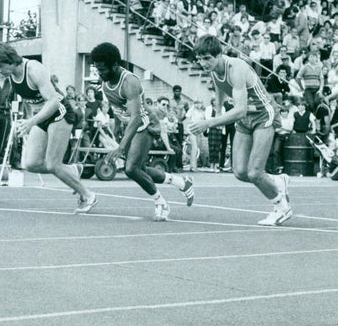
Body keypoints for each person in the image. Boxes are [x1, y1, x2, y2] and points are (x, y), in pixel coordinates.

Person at [190, 35, 292, 226]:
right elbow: (220, 87)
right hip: (246, 119)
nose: (202, 63)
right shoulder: (213, 70)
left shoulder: (236, 68)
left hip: (263, 114)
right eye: (199, 58)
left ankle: (282, 207)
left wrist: (209, 122)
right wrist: (219, 110)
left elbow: (240, 109)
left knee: (254, 172)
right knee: (239, 172)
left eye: (207, 58)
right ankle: (278, 181)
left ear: (219, 54)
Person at [0, 42, 96, 213]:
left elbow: (54, 101)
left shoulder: (34, 70)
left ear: (11, 61)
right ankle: (72, 170)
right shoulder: (12, 75)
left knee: (53, 164)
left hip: (60, 113)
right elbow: (30, 102)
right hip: (42, 117)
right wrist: (30, 121)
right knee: (31, 163)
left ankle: (87, 195)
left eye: (0, 66)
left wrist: (31, 122)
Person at [90, 43, 194, 220]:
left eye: (102, 69)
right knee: (140, 168)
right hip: (130, 125)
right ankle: (181, 182)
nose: (100, 73)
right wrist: (117, 132)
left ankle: (160, 202)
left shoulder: (129, 82)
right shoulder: (106, 80)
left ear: (114, 65)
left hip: (145, 124)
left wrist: (121, 147)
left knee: (131, 169)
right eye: (97, 69)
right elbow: (118, 110)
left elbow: (137, 117)